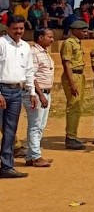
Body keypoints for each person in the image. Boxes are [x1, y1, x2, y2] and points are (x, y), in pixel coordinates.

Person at [0, 16, 36, 178]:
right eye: (15, 28)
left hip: (17, 92)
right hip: (2, 89)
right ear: (8, 28)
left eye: (21, 28)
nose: (19, 31)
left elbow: (29, 71)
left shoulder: (25, 47)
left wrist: (32, 92)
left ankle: (7, 166)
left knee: (10, 130)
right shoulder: (1, 43)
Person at [24, 28, 54, 167]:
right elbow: (31, 75)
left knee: (40, 125)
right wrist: (40, 95)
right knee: (35, 125)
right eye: (49, 36)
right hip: (37, 93)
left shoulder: (44, 52)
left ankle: (31, 156)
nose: (52, 39)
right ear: (40, 37)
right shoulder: (33, 53)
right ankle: (36, 156)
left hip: (45, 92)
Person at [60, 20, 88, 150]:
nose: (85, 33)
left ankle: (73, 135)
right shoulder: (69, 43)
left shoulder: (77, 42)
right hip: (73, 76)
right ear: (75, 31)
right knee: (73, 106)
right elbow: (67, 64)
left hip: (79, 75)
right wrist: (72, 83)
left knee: (78, 106)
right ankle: (70, 137)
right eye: (83, 31)